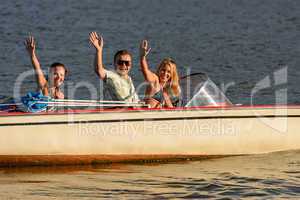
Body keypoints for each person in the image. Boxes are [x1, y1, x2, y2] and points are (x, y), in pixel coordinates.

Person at [89, 32, 139, 102]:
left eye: (127, 63)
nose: (124, 66)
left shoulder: (129, 79)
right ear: (115, 64)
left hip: (129, 109)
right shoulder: (112, 76)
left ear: (130, 65)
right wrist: (99, 50)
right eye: (120, 62)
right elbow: (99, 70)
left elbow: (136, 102)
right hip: (112, 110)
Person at [139, 40, 180, 108]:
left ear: (172, 75)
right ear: (159, 69)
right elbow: (145, 71)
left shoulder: (165, 92)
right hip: (146, 115)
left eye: (168, 72)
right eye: (163, 70)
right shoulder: (155, 80)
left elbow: (171, 109)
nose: (165, 73)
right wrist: (142, 57)